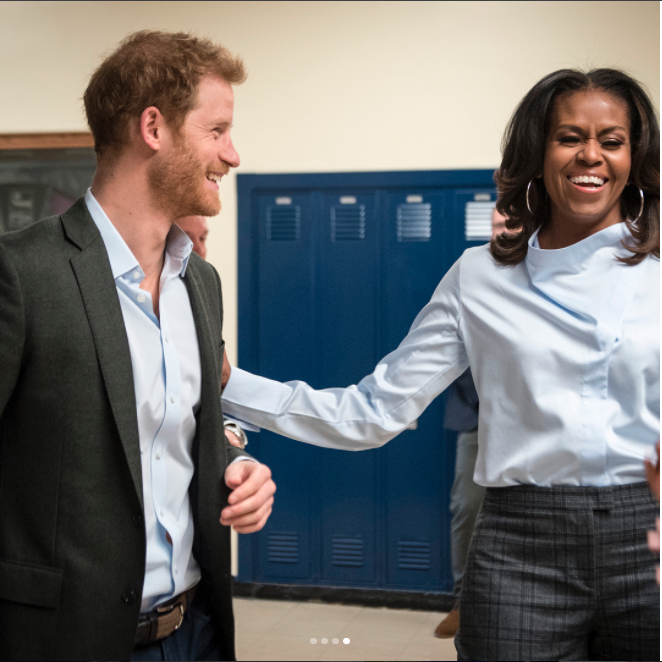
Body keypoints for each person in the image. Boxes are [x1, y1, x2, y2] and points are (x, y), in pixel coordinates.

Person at [221, 68, 660, 661]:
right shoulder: (479, 278)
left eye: (612, 140)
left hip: (649, 540)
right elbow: (374, 412)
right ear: (537, 150)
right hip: (520, 550)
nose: (591, 156)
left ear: (635, 157)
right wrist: (228, 384)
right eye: (569, 137)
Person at [0, 31, 276, 661]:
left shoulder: (200, 284)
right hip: (64, 640)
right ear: (153, 127)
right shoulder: (22, 274)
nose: (232, 154)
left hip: (195, 632)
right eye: (217, 130)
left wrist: (230, 470)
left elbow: (169, 442)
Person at [435, 208, 509, 639]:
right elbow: (453, 353)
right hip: (477, 414)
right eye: (498, 226)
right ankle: (464, 600)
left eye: (513, 225)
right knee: (467, 506)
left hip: (529, 421)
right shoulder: (471, 276)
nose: (505, 232)